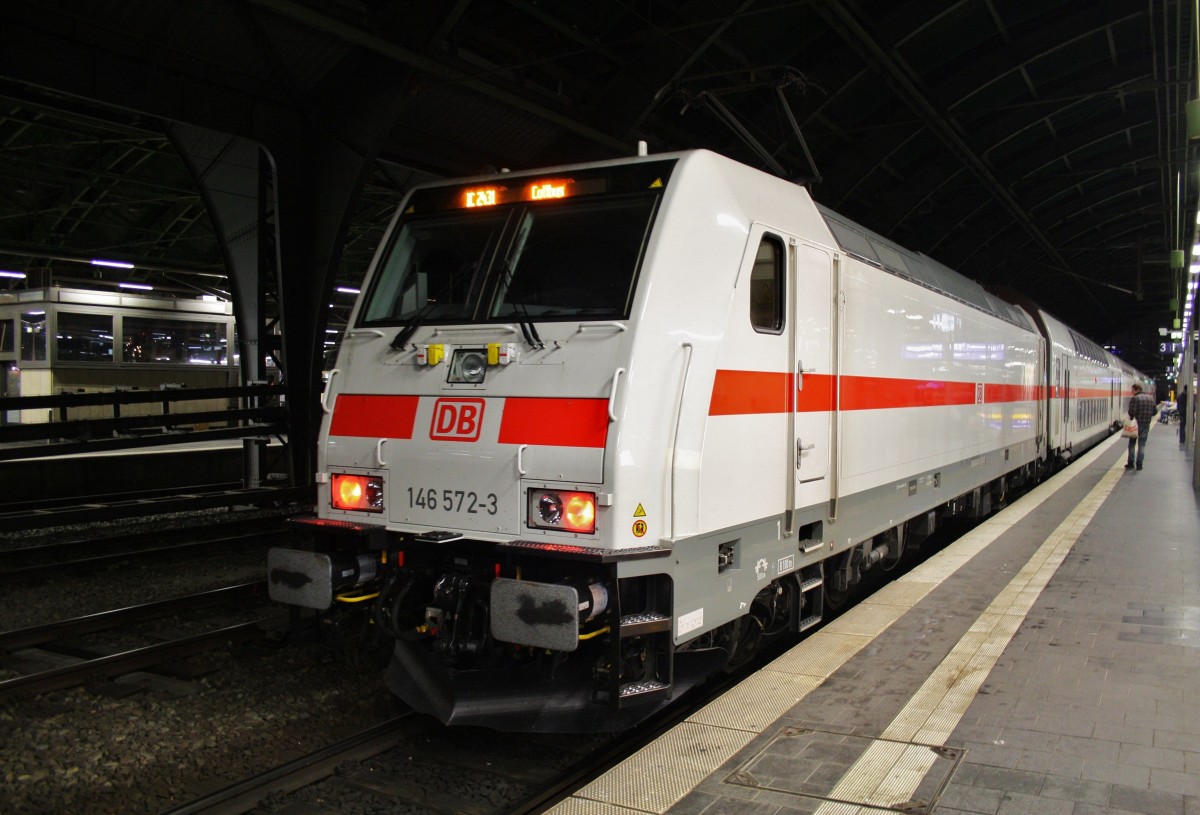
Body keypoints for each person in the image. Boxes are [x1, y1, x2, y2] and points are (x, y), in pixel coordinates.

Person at [1126, 383, 1156, 470]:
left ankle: (1131, 463)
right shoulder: (1150, 398)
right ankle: (1139, 465)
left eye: (1132, 390)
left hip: (1135, 424)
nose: (1132, 392)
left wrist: (1131, 418)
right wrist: (1148, 415)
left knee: (1132, 444)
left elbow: (1132, 412)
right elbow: (1155, 411)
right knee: (1142, 444)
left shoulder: (1135, 398)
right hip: (1146, 424)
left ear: (1136, 390)